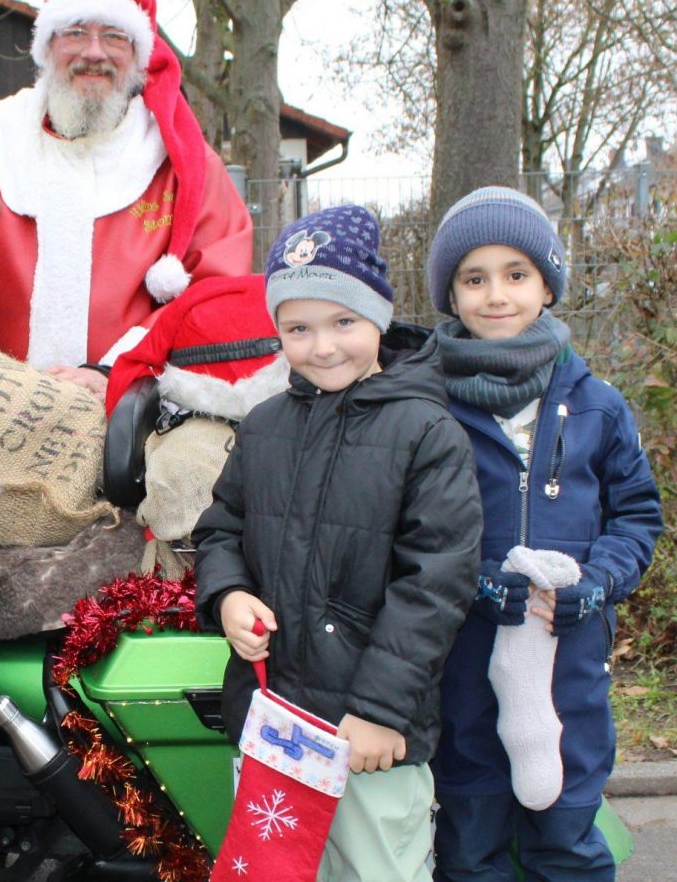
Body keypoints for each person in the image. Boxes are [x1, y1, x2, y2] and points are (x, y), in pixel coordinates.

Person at [192, 205, 482, 882]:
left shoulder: (427, 433)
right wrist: (228, 594)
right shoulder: (264, 426)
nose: (322, 347)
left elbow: (435, 586)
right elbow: (221, 528)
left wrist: (380, 712)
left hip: (369, 737)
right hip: (276, 728)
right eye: (299, 328)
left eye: (343, 322)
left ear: (379, 315)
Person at [0, 0, 254, 400]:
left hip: (131, 407)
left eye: (115, 36)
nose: (94, 52)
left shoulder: (181, 165)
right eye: (75, 33)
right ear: (47, 47)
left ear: (139, 57)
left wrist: (117, 369)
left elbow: (216, 293)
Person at [425, 187, 662, 881]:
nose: (497, 295)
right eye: (474, 279)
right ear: (451, 295)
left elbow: (637, 516)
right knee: (470, 849)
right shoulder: (426, 405)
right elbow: (405, 529)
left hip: (570, 668)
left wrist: (599, 580)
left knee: (566, 840)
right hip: (462, 669)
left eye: (517, 274)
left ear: (548, 286)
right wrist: (472, 580)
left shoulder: (598, 406)